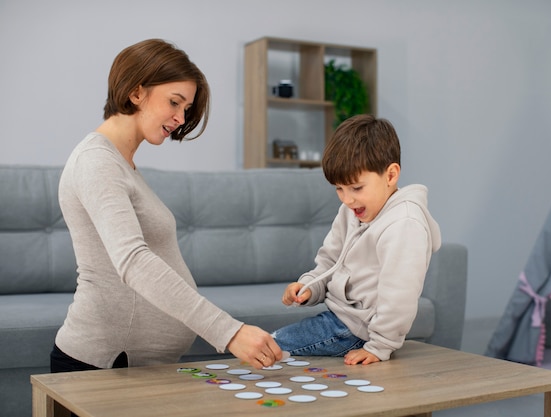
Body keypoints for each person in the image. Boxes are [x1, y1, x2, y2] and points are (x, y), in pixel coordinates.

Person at [51, 39, 282, 375]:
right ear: (136, 92)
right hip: (102, 363)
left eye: (186, 108)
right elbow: (133, 260)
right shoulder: (97, 161)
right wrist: (228, 331)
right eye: (175, 102)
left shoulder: (121, 162)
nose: (180, 117)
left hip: (134, 365)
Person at [273, 114, 441, 365]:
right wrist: (309, 287)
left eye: (356, 188)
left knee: (270, 346)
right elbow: (330, 260)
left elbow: (399, 295)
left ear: (391, 175)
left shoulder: (404, 224)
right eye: (339, 189)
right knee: (264, 346)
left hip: (358, 331)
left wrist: (379, 347)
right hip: (338, 318)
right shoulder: (352, 210)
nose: (346, 199)